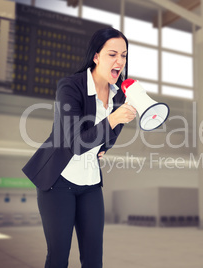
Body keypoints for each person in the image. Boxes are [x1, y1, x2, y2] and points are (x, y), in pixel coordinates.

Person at [22, 27, 136, 268]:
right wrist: (114, 119)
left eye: (124, 55)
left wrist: (104, 145)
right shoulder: (70, 87)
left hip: (91, 185)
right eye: (112, 54)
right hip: (57, 182)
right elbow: (75, 142)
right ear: (96, 57)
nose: (120, 61)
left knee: (94, 259)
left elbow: (110, 137)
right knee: (59, 257)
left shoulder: (118, 94)